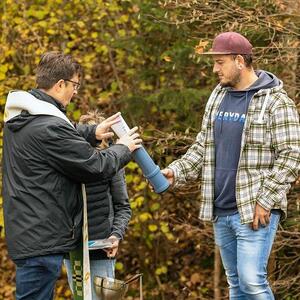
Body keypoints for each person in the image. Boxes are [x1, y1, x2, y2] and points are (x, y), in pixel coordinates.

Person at [162, 32, 300, 299]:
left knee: (252, 282)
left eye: (220, 62)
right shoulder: (218, 95)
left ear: (240, 60)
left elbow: (291, 155)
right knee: (236, 285)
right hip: (220, 208)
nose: (215, 69)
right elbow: (204, 145)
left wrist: (266, 199)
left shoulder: (276, 101)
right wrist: (176, 171)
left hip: (254, 208)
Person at [2, 51, 142, 300]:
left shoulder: (26, 119)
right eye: (74, 85)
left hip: (30, 235)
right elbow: (94, 165)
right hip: (42, 240)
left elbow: (65, 133)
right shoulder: (49, 127)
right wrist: (124, 148)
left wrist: (93, 132)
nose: (75, 91)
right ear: (60, 84)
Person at [64, 110, 132, 299]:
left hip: (102, 250)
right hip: (74, 251)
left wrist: (115, 235)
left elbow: (123, 207)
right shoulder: (69, 164)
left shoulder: (112, 165)